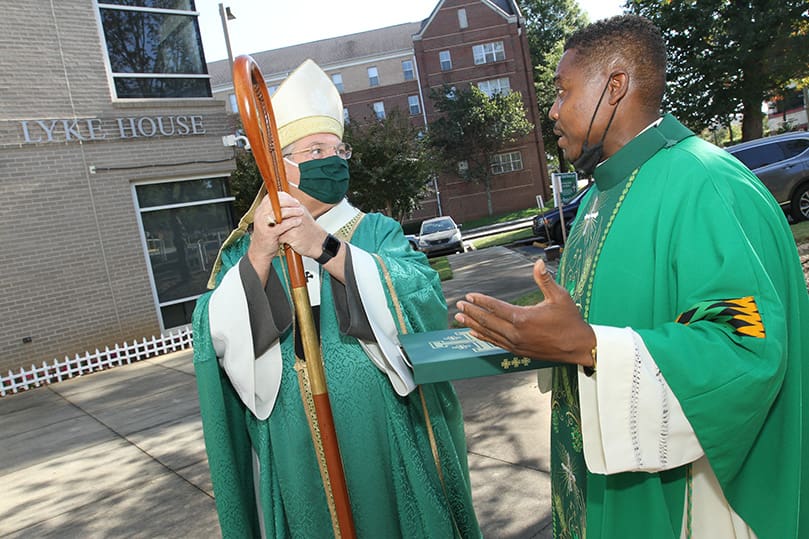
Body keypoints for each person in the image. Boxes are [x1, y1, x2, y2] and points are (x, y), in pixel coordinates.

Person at [455, 15, 808, 539]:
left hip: (691, 496)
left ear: (614, 86)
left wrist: (592, 346)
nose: (550, 113)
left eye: (562, 93)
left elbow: (746, 346)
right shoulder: (600, 196)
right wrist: (540, 335)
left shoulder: (704, 182)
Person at [192, 59, 481, 538]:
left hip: (383, 434)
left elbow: (422, 298)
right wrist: (261, 257)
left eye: (338, 148)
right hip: (297, 449)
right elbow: (210, 335)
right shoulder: (246, 249)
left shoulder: (375, 230)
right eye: (316, 149)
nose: (334, 159)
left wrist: (325, 249)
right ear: (281, 166)